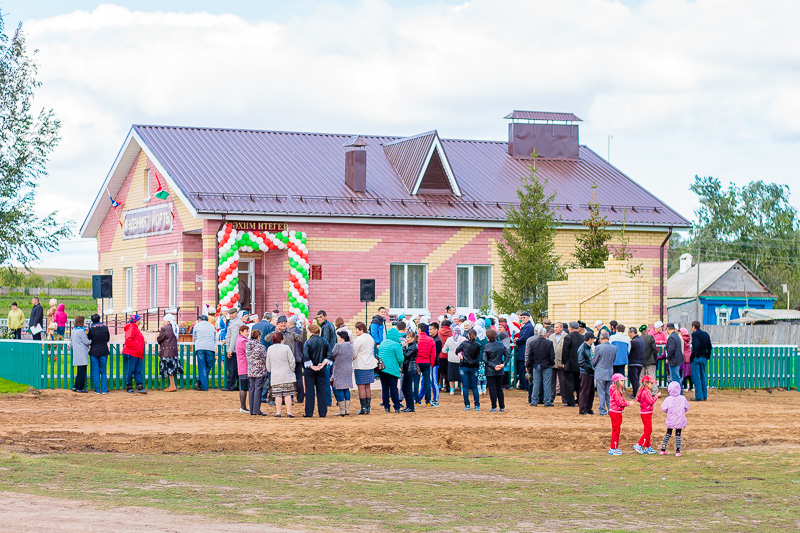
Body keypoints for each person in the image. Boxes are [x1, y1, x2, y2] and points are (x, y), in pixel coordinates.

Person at [266, 331, 296, 418]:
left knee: (277, 395)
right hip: (287, 374)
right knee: (288, 394)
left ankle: (278, 412)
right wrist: (292, 369)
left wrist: (270, 370)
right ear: (282, 339)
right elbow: (291, 360)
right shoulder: (286, 348)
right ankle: (289, 412)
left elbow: (268, 362)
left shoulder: (270, 349)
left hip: (276, 375)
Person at [303, 323, 331, 418]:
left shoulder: (307, 342)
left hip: (310, 370)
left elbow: (306, 356)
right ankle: (323, 413)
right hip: (321, 368)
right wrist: (322, 364)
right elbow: (329, 355)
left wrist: (312, 366)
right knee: (321, 390)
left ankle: (309, 413)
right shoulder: (325, 341)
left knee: (310, 391)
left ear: (310, 332)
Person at [526, 324, 555, 407]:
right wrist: (552, 363)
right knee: (547, 383)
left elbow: (529, 356)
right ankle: (547, 401)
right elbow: (552, 356)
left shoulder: (532, 343)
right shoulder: (549, 343)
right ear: (545, 334)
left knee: (536, 383)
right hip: (546, 365)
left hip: (536, 365)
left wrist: (528, 365)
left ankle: (534, 401)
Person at [660, 380, 690, 456]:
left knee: (668, 433)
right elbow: (687, 407)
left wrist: (668, 411)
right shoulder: (682, 398)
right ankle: (677, 451)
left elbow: (663, 408)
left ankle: (663, 449)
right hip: (680, 419)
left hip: (670, 419)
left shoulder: (668, 399)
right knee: (678, 435)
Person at [377, 327, 404, 413]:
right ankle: (396, 406)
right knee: (393, 388)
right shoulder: (396, 344)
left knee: (385, 388)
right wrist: (399, 365)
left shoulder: (382, 343)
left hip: (382, 369)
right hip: (392, 369)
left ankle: (386, 407)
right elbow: (400, 358)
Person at [352, 321, 376, 415]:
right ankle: (368, 407)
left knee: (361, 387)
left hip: (360, 365)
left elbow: (354, 353)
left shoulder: (359, 340)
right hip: (369, 364)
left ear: (361, 329)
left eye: (356, 329)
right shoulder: (370, 338)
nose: (356, 331)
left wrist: (352, 359)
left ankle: (363, 408)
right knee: (367, 386)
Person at [455, 329, 482, 411]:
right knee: (474, 387)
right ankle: (476, 405)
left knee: (465, 387)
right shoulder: (478, 345)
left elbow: (457, 350)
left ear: (468, 336)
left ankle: (467, 405)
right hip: (474, 366)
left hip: (464, 366)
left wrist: (461, 356)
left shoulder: (464, 343)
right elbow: (477, 355)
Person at [483, 328, 508, 412]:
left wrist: (494, 366)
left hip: (490, 370)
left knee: (492, 388)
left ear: (488, 337)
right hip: (500, 369)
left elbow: (485, 360)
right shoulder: (501, 345)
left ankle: (494, 406)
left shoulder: (486, 346)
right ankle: (502, 406)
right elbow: (508, 355)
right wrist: (502, 364)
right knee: (499, 388)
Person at [633, 375, 660, 454]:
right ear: (647, 383)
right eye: (651, 383)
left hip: (646, 412)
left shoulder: (643, 391)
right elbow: (651, 401)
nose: (652, 385)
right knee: (648, 430)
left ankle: (647, 447)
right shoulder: (645, 392)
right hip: (646, 413)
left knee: (647, 430)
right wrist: (656, 396)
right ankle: (639, 444)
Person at [591, 331, 616, 416]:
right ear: (608, 339)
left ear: (600, 339)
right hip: (609, 372)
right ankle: (610, 409)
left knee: (601, 393)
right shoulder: (614, 348)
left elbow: (594, 361)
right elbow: (613, 360)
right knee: (609, 393)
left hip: (600, 372)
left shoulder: (598, 348)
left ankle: (602, 410)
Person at [330, 330, 354, 416]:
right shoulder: (351, 346)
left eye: (339, 337)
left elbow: (331, 354)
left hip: (339, 368)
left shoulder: (338, 345)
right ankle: (347, 410)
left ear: (342, 338)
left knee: (339, 388)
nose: (338, 339)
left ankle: (342, 410)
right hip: (348, 368)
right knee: (346, 388)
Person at [157, 314, 183, 392]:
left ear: (167, 321)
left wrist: (160, 331)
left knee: (169, 370)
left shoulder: (165, 328)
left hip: (167, 352)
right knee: (172, 370)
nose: (163, 322)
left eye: (164, 321)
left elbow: (159, 339)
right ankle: (172, 385)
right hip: (173, 351)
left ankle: (172, 386)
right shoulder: (175, 327)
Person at [316, 310, 336, 407]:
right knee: (332, 379)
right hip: (331, 355)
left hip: (327, 357)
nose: (319, 319)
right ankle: (339, 399)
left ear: (325, 317)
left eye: (321, 317)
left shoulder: (326, 326)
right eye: (318, 317)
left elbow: (325, 342)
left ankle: (328, 401)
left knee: (326, 379)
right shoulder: (329, 325)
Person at [608, 373, 631, 455]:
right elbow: (620, 402)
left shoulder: (617, 389)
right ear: (617, 381)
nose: (623, 382)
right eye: (621, 380)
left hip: (617, 412)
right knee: (616, 430)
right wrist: (628, 403)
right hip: (615, 412)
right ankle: (613, 448)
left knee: (617, 430)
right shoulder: (615, 390)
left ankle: (615, 447)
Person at [247, 329, 268, 416]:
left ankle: (252, 409)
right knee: (258, 389)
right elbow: (264, 358)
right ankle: (256, 410)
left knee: (251, 389)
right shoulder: (261, 347)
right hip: (259, 370)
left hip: (251, 369)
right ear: (259, 337)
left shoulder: (248, 345)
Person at [86, 314, 109, 394]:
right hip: (103, 350)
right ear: (99, 319)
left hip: (94, 351)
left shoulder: (92, 329)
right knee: (103, 370)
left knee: (95, 370)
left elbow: (88, 338)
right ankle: (105, 389)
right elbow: (107, 338)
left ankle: (97, 389)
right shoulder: (105, 328)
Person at [123, 314, 146, 394]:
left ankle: (139, 386)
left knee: (138, 370)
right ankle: (129, 386)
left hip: (137, 353)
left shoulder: (134, 328)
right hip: (132, 352)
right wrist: (137, 346)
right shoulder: (132, 328)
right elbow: (128, 340)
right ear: (136, 321)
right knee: (131, 370)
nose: (140, 321)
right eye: (139, 319)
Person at [192, 315, 217, 391]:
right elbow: (214, 337)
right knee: (208, 366)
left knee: (202, 366)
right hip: (210, 347)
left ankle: (202, 385)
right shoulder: (212, 326)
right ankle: (201, 383)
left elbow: (194, 337)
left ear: (200, 319)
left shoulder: (196, 326)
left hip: (200, 347)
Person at [561, 322, 583, 408]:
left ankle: (571, 402)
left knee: (569, 384)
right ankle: (580, 401)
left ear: (570, 328)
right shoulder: (582, 337)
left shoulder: (568, 337)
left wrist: (563, 362)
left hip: (569, 364)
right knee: (579, 384)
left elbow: (565, 351)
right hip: (580, 364)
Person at [416, 323, 436, 408]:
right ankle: (428, 402)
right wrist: (431, 363)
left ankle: (416, 401)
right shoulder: (430, 339)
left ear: (419, 329)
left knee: (416, 382)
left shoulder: (416, 339)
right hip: (426, 362)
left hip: (417, 362)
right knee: (427, 382)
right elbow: (433, 354)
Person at [690, 321, 712, 402]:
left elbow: (697, 345)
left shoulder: (695, 334)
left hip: (697, 358)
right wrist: (707, 356)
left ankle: (699, 396)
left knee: (696, 377)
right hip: (704, 358)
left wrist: (694, 356)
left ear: (693, 327)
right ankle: (704, 395)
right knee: (702, 376)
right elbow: (709, 346)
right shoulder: (706, 334)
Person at [223, 309, 243, 391]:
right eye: (230, 314)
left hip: (234, 349)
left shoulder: (235, 324)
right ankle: (238, 385)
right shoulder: (237, 322)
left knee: (232, 368)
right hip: (237, 348)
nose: (231, 315)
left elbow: (234, 338)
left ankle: (230, 386)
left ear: (236, 314)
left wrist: (230, 350)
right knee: (238, 368)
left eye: (232, 314)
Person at [69, 315, 90, 393]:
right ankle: (80, 387)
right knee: (82, 371)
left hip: (76, 352)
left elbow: (71, 341)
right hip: (82, 352)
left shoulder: (74, 330)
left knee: (79, 370)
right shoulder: (81, 331)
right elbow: (86, 341)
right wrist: (91, 342)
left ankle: (76, 386)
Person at [548, 322, 566, 405]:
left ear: (561, 328)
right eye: (555, 327)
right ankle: (551, 396)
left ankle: (564, 397)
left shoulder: (565, 337)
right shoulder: (551, 337)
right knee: (552, 380)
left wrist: (564, 361)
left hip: (562, 362)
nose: (555, 329)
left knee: (563, 380)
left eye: (557, 327)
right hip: (552, 362)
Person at [577, 331, 595, 415]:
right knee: (585, 391)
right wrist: (589, 368)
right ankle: (583, 409)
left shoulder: (587, 347)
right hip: (585, 373)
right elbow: (581, 362)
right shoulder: (582, 348)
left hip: (589, 372)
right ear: (590, 339)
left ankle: (588, 408)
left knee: (590, 392)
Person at [514, 312, 533, 390]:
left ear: (528, 317)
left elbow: (524, 338)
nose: (522, 319)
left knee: (523, 369)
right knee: (521, 369)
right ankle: (523, 384)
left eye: (524, 317)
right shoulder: (527, 326)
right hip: (523, 349)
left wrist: (517, 340)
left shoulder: (528, 327)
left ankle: (524, 385)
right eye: (521, 318)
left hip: (524, 350)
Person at [401, 330, 418, 412]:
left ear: (413, 338)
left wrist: (404, 348)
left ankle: (410, 406)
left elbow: (406, 356)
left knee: (407, 388)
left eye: (409, 337)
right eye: (407, 337)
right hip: (407, 368)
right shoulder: (410, 346)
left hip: (410, 368)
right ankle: (409, 405)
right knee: (404, 388)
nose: (407, 339)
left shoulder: (413, 347)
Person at [234, 325, 250, 412]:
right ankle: (243, 407)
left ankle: (243, 406)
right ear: (241, 332)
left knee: (243, 387)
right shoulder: (243, 341)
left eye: (248, 331)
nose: (247, 333)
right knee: (244, 387)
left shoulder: (240, 339)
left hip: (242, 366)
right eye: (246, 331)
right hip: (245, 366)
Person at [444, 327, 464, 394]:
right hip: (460, 359)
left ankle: (452, 390)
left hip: (451, 359)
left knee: (451, 376)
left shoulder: (449, 339)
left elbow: (444, 350)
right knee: (461, 376)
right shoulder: (463, 339)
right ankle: (462, 390)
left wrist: (449, 351)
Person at [640, 325, 659, 395]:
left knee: (641, 376)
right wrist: (655, 357)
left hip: (641, 360)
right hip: (650, 360)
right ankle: (654, 391)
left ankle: (641, 391)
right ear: (646, 330)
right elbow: (654, 349)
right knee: (652, 376)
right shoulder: (650, 337)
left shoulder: (639, 338)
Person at [664, 323, 683, 392]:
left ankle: (678, 393)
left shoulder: (671, 337)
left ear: (668, 329)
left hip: (673, 360)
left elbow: (671, 349)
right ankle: (678, 392)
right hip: (678, 359)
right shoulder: (677, 336)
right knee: (676, 377)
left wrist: (668, 358)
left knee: (675, 378)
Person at [627, 327, 644, 399]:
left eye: (629, 333)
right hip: (640, 362)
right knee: (636, 378)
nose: (628, 334)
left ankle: (636, 394)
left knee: (634, 379)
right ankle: (636, 393)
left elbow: (629, 352)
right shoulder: (641, 340)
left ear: (632, 333)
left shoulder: (633, 342)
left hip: (633, 362)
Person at [428, 321, 443, 406]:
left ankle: (436, 400)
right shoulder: (432, 339)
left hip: (434, 363)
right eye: (429, 329)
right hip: (431, 363)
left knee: (434, 381)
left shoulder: (437, 340)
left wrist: (433, 363)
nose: (429, 331)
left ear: (436, 330)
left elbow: (436, 353)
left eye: (431, 329)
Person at [438, 319, 453, 392]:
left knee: (438, 371)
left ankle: (438, 386)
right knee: (447, 371)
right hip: (448, 355)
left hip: (439, 354)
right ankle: (446, 387)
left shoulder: (438, 332)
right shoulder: (451, 333)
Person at [679, 327, 692, 391]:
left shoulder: (682, 339)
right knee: (689, 372)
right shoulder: (688, 338)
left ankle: (685, 386)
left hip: (684, 356)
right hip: (689, 356)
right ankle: (691, 386)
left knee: (684, 372)